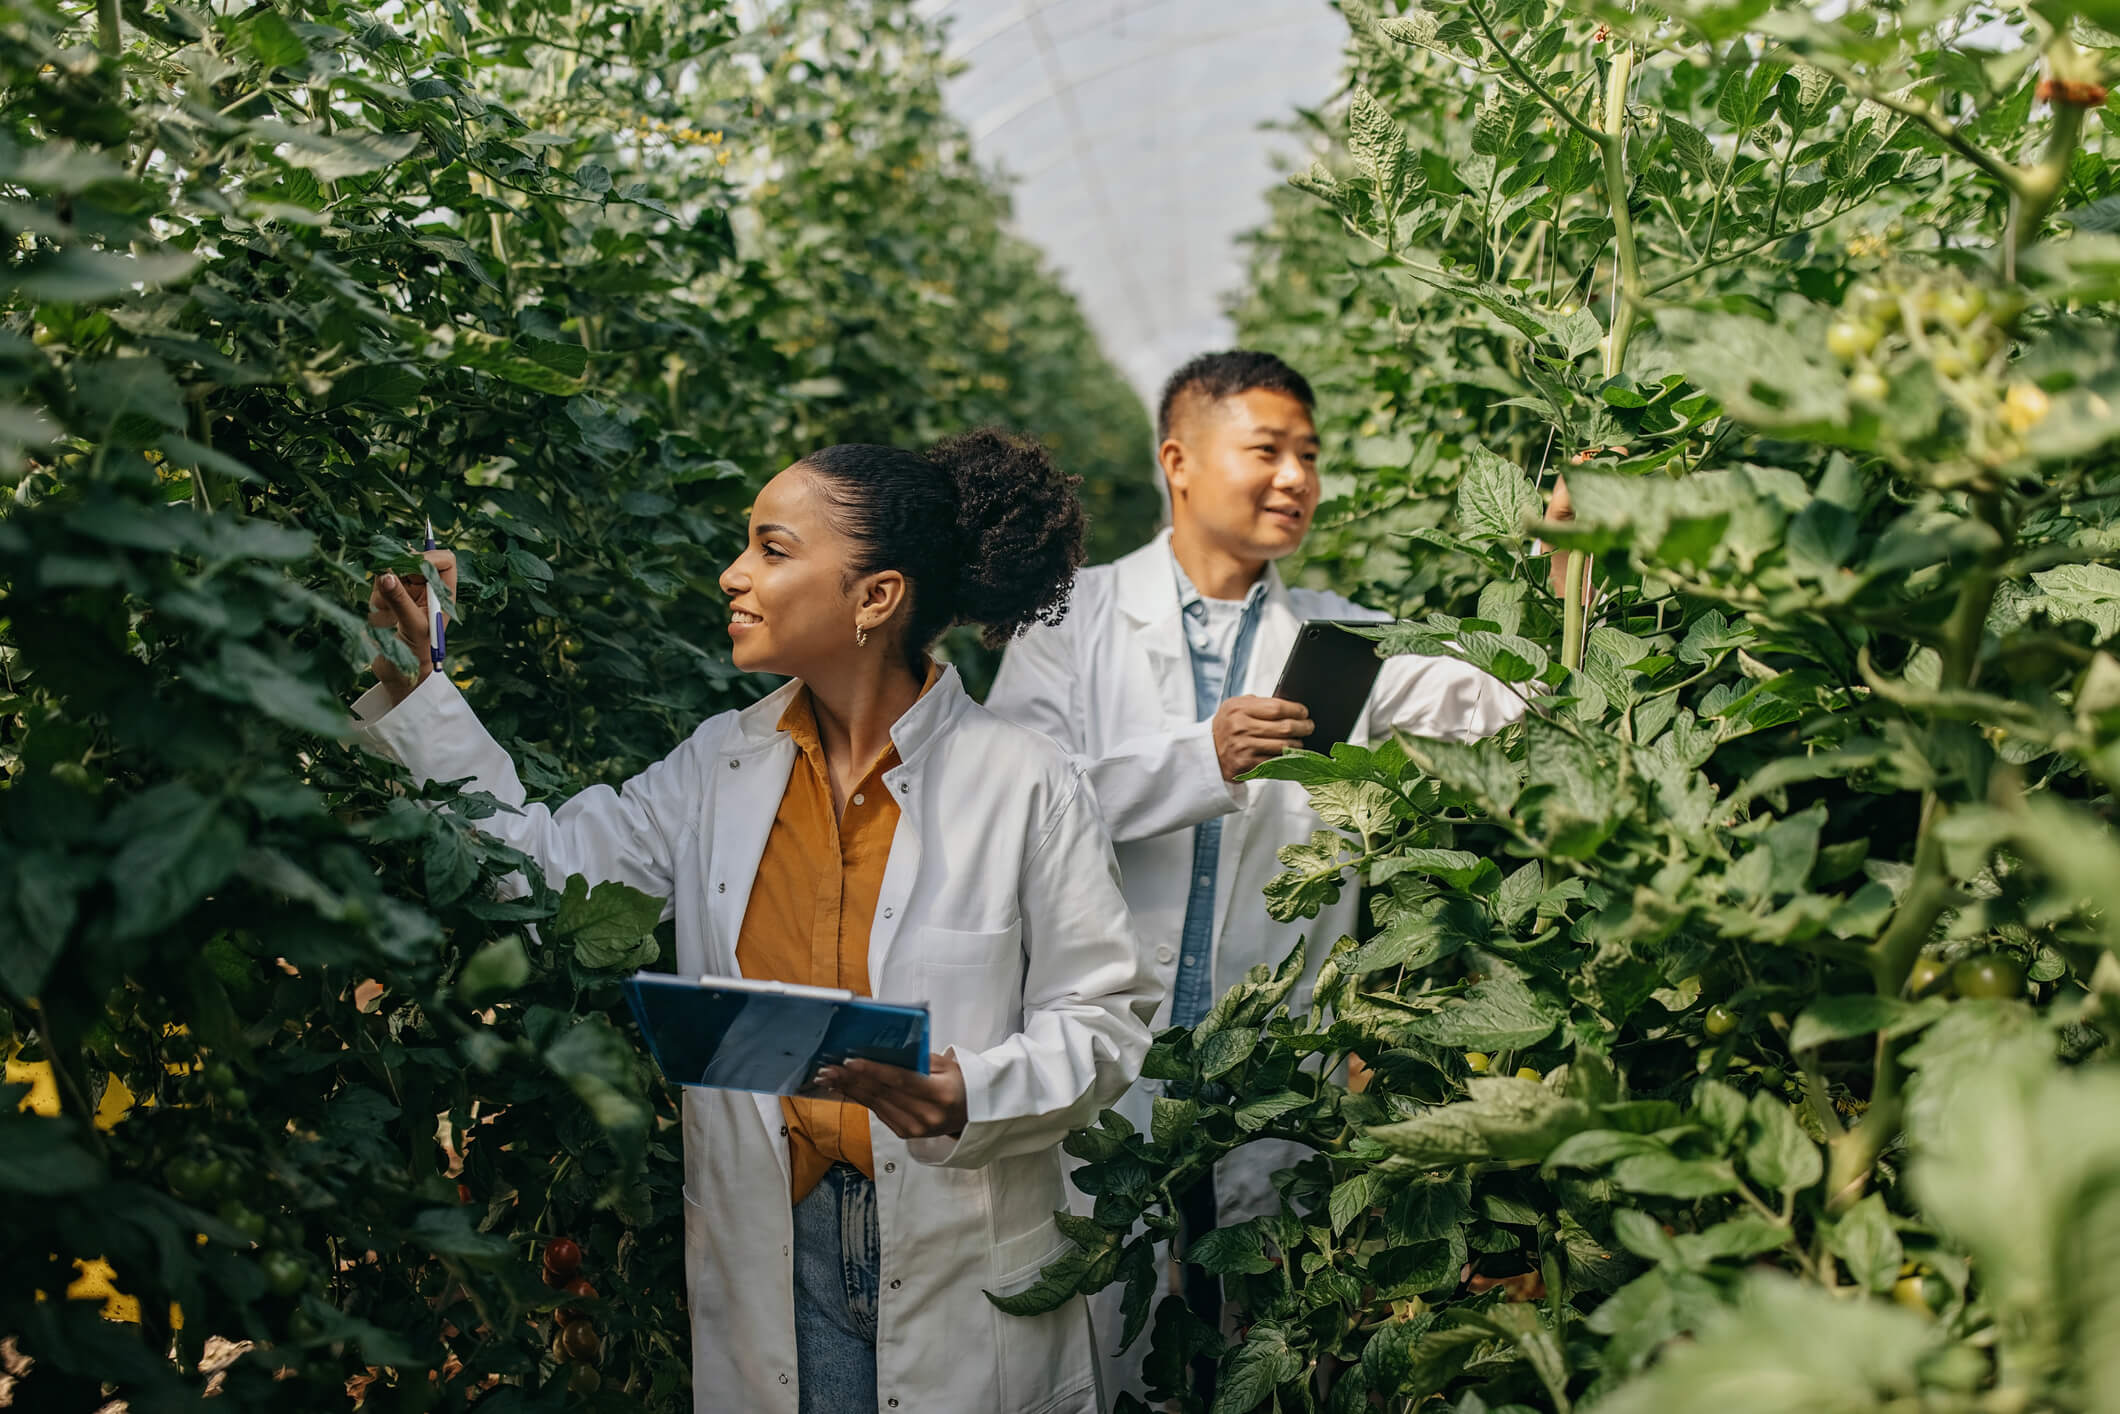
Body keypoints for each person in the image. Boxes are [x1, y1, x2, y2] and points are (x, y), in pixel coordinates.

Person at [352, 430, 1159, 1414]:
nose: (735, 574)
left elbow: (1105, 1019)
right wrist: (416, 689)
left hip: (959, 1241)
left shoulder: (1027, 783)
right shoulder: (716, 765)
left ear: (874, 597)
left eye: (773, 550)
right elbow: (540, 871)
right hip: (777, 1237)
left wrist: (968, 1090)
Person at [985, 350, 1526, 1395]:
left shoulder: (1344, 642)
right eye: (1267, 450)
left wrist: (1568, 568)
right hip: (1109, 1060)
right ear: (1177, 461)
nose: (1294, 479)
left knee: (1266, 1346)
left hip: (1271, 1073)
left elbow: (1504, 704)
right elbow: (1006, 817)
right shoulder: (1069, 623)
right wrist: (1203, 757)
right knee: (1098, 1350)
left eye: (1310, 457)